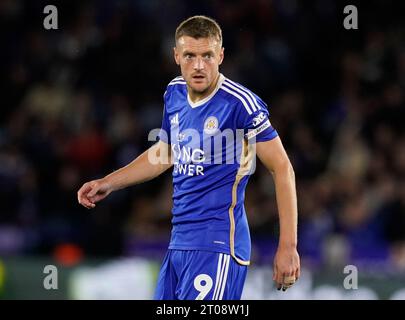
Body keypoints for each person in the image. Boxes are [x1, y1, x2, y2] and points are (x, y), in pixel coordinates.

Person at [77, 15, 300, 300]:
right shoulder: (174, 92)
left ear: (220, 55)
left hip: (218, 244)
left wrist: (288, 245)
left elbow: (282, 168)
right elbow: (165, 153)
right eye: (190, 55)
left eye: (207, 55)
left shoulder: (240, 104)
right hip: (178, 243)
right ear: (176, 56)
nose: (198, 65)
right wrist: (109, 182)